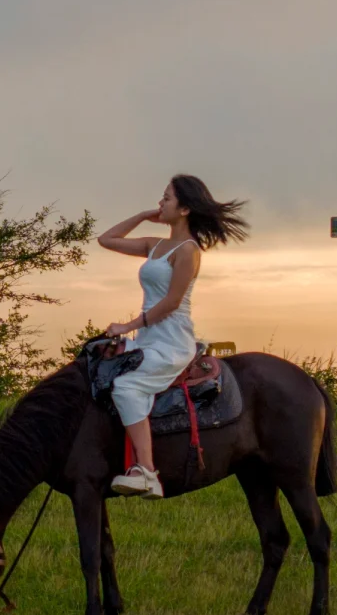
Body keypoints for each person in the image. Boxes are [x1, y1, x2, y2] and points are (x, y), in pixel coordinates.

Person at [96, 174, 250, 498]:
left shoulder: (189, 251)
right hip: (148, 338)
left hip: (171, 340)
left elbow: (172, 302)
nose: (160, 203)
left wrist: (127, 325)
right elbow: (106, 239)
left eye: (166, 198)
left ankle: (147, 471)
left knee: (126, 385)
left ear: (184, 209)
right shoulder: (155, 246)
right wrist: (142, 216)